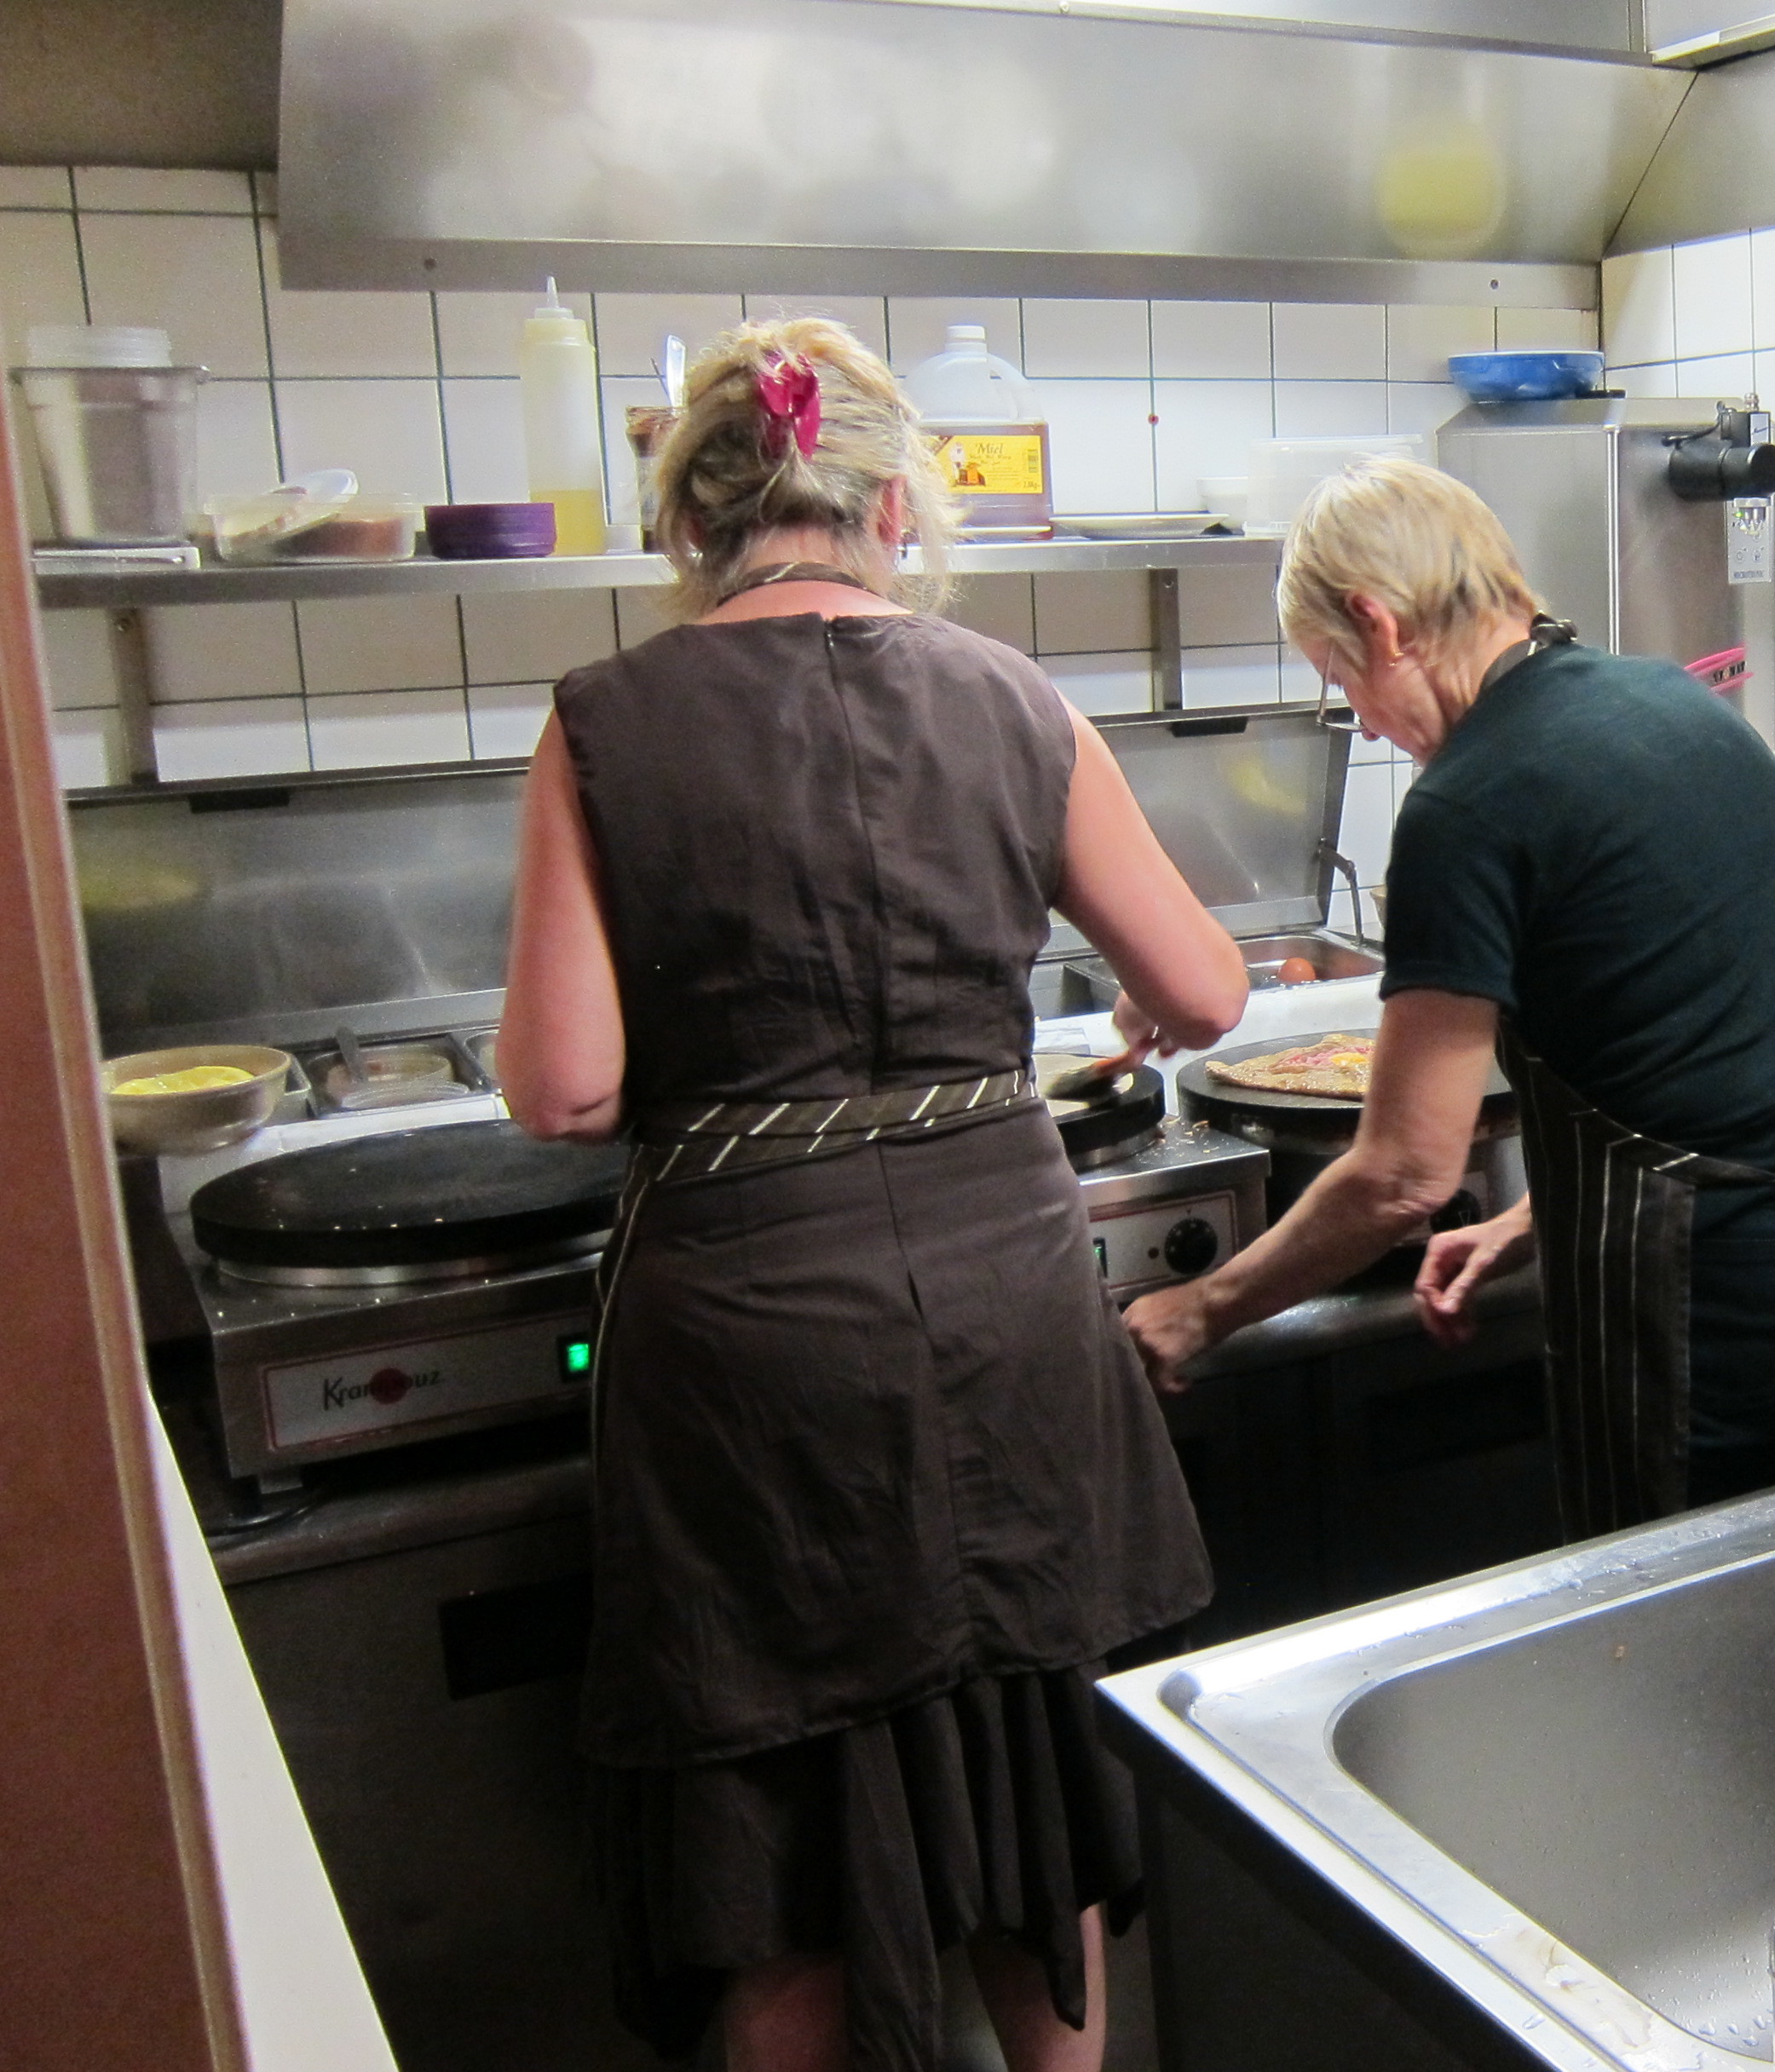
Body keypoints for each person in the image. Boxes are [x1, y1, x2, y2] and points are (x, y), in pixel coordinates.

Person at [496, 318, 1247, 2072]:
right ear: (896, 506)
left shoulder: (600, 721)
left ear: (695, 521)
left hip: (752, 1353)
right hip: (1005, 1311)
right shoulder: (1015, 698)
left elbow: (564, 1087)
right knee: (1028, 1771)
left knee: (779, 1827)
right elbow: (1209, 992)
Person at [1121, 458, 1775, 1531]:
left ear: (1380, 624)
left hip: (1713, 1299)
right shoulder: (1674, 703)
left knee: (1679, 1605)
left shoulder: (1468, 802)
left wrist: (1202, 1308)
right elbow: (1706, 1047)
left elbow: (1402, 1173)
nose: (1363, 724)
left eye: (1340, 679)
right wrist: (1530, 1220)